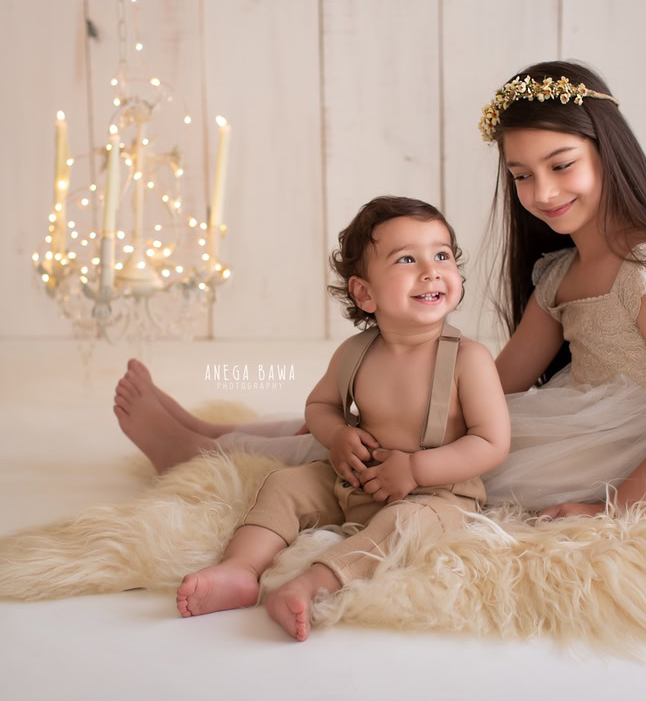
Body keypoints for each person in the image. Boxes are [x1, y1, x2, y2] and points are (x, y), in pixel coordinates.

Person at [115, 59, 646, 519]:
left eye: (561, 165)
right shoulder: (559, 274)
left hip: (627, 451)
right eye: (522, 176)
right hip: (576, 420)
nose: (544, 194)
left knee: (408, 445)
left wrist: (610, 512)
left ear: (607, 153)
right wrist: (404, 379)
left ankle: (196, 453)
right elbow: (495, 386)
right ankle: (214, 435)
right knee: (401, 415)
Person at [157, 196, 509, 641]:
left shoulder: (469, 360)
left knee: (403, 526)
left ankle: (313, 584)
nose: (431, 270)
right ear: (365, 293)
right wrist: (338, 435)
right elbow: (319, 406)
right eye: (407, 259)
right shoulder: (355, 354)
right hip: (357, 483)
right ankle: (241, 569)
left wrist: (416, 468)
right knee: (284, 484)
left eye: (442, 254)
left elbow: (492, 441)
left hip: (438, 497)